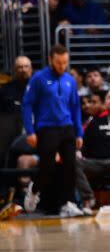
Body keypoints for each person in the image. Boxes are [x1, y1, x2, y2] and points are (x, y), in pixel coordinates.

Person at [20, 44, 84, 216]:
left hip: (67, 128)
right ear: (50, 60)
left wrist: (79, 132)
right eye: (58, 62)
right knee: (47, 167)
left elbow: (75, 108)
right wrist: (30, 130)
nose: (62, 66)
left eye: (65, 63)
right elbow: (27, 105)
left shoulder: (70, 80)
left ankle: (67, 203)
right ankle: (34, 190)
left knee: (71, 166)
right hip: (46, 128)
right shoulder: (39, 78)